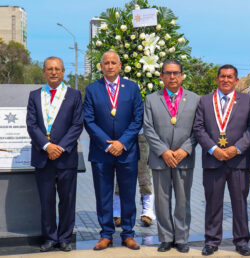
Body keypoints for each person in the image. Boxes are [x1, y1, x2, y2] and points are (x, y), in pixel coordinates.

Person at [194, 64, 250, 256]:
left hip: (238, 161)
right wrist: (214, 149)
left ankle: (241, 241)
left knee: (239, 202)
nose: (226, 80)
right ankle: (212, 241)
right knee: (213, 202)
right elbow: (198, 128)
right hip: (213, 161)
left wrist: (236, 149)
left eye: (230, 77)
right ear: (217, 79)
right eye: (222, 76)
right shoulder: (204, 101)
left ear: (236, 80)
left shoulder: (247, 101)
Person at [83, 50, 143, 250]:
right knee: (103, 194)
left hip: (127, 151)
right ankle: (106, 234)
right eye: (106, 63)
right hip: (102, 152)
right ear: (101, 67)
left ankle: (128, 234)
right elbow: (89, 120)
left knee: (128, 194)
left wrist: (122, 142)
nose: (109, 66)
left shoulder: (132, 88)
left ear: (120, 66)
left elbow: (137, 119)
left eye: (113, 62)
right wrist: (108, 144)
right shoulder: (93, 89)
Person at [26, 56, 83, 252]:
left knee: (67, 200)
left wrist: (60, 147)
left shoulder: (74, 95)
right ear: (44, 72)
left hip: (66, 157)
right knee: (46, 201)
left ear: (63, 72)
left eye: (57, 69)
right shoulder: (35, 95)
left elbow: (77, 125)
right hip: (43, 158)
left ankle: (65, 238)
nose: (53, 72)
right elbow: (31, 125)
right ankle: (50, 237)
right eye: (49, 69)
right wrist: (47, 146)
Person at [143, 59, 200, 253]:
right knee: (162, 200)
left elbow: (198, 128)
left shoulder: (195, 99)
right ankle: (166, 237)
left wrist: (185, 149)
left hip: (184, 157)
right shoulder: (151, 99)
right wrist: (164, 151)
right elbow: (148, 128)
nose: (172, 77)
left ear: (182, 75)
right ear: (161, 76)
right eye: (168, 73)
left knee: (183, 200)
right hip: (160, 158)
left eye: (176, 73)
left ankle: (182, 238)